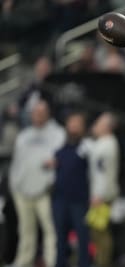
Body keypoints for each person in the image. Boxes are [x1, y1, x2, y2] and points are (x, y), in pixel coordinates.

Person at [8, 100, 65, 267]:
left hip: (45, 192)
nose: (38, 115)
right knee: (25, 231)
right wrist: (14, 184)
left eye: (42, 112)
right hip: (22, 191)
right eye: (35, 112)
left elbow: (58, 160)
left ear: (48, 113)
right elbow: (16, 162)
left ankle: (52, 261)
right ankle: (24, 262)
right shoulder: (24, 136)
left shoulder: (58, 134)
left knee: (51, 230)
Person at [52, 112, 91, 267]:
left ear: (83, 127)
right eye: (71, 123)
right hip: (60, 199)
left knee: (83, 237)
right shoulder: (59, 146)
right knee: (60, 238)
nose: (74, 126)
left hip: (80, 200)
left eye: (78, 123)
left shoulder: (88, 146)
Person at [88, 112, 120, 267]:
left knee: (101, 232)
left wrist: (99, 195)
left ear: (107, 127)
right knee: (97, 232)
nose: (95, 125)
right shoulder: (101, 142)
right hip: (99, 194)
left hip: (103, 195)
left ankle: (103, 263)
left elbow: (104, 173)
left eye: (99, 123)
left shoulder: (108, 145)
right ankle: (100, 261)